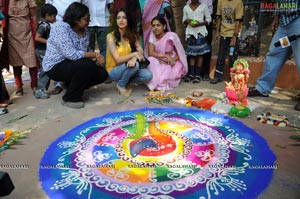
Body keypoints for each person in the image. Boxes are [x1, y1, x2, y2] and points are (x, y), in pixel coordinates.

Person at [42, 2, 108, 109]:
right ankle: (70, 98)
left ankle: (71, 85)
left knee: (102, 73)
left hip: (72, 65)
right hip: (55, 66)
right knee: (87, 65)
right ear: (76, 19)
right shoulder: (61, 28)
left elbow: (85, 51)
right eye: (86, 19)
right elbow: (71, 54)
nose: (89, 21)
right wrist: (94, 55)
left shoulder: (85, 32)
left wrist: (97, 60)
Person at [248, 0, 300, 111]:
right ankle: (263, 88)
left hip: (297, 21)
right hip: (284, 24)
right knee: (275, 53)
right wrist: (276, 18)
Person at [106, 8, 153, 97]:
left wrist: (135, 57)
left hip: (129, 67)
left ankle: (125, 80)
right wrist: (134, 54)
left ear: (128, 20)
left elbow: (140, 50)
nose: (121, 20)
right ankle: (121, 85)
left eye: (124, 17)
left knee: (148, 75)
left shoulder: (131, 35)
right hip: (114, 71)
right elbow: (118, 60)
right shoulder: (110, 36)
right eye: (118, 18)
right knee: (135, 65)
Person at [0, 0, 38, 96]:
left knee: (32, 61)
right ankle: (19, 87)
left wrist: (35, 31)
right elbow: (2, 17)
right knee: (16, 62)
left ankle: (34, 85)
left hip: (27, 34)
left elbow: (33, 16)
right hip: (12, 36)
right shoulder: (6, 1)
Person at [45, 0, 81, 95]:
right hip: (54, 60)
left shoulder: (82, 31)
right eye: (53, 16)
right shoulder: (52, 26)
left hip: (70, 25)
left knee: (84, 64)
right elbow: (71, 54)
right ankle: (56, 85)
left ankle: (69, 83)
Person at [146, 16, 188, 91]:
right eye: (153, 26)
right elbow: (151, 53)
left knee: (168, 74)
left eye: (158, 25)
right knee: (150, 60)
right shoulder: (152, 36)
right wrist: (165, 56)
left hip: (173, 61)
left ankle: (160, 83)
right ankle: (157, 82)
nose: (155, 28)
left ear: (164, 26)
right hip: (159, 61)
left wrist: (170, 60)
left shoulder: (172, 36)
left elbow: (180, 53)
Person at [210, 0, 243, 84]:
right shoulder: (221, 1)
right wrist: (217, 32)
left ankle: (233, 78)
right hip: (224, 34)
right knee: (221, 55)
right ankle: (217, 76)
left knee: (232, 56)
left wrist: (235, 36)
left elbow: (238, 21)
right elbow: (219, 18)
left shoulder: (238, 2)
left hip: (233, 34)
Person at [183, 0, 211, 83]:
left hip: (200, 32)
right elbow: (184, 20)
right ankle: (191, 74)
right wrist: (188, 21)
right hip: (190, 33)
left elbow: (209, 19)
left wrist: (199, 24)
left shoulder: (203, 6)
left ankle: (198, 75)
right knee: (191, 54)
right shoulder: (186, 7)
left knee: (200, 54)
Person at [34, 4, 57, 99]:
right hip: (42, 51)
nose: (55, 19)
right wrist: (50, 42)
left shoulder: (46, 24)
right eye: (53, 16)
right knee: (45, 70)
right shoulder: (43, 25)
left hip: (45, 50)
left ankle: (42, 89)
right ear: (47, 15)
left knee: (46, 69)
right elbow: (37, 38)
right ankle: (40, 90)